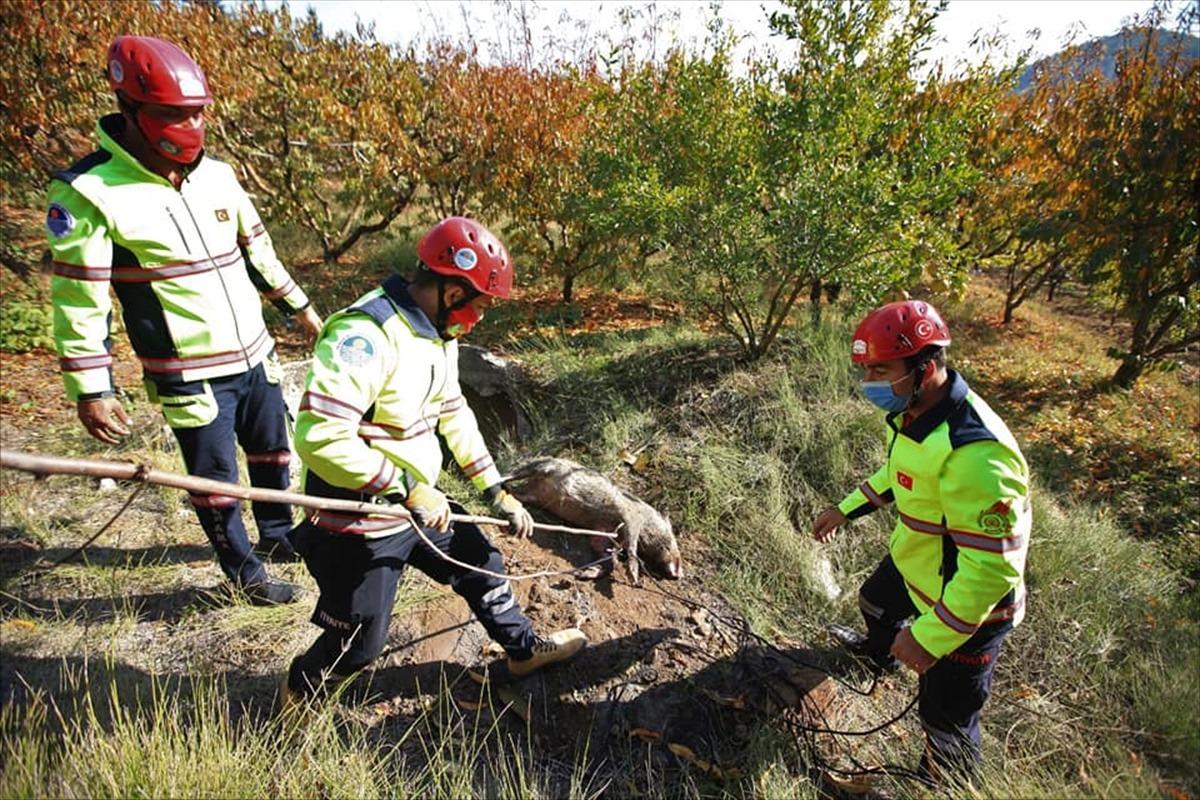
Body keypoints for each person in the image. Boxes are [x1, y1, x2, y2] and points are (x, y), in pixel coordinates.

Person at [48, 36, 322, 605]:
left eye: (198, 112)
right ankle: (246, 577)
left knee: (274, 453)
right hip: (190, 373)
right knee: (214, 480)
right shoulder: (88, 193)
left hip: (255, 353)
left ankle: (277, 536)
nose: (191, 125)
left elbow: (258, 250)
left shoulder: (218, 175)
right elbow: (81, 301)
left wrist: (301, 310)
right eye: (174, 114)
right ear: (130, 109)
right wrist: (91, 388)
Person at [281, 216, 586, 706]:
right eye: (480, 306)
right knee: (359, 642)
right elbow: (320, 437)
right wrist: (406, 487)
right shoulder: (365, 334)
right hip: (358, 518)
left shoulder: (440, 335)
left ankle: (522, 650)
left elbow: (453, 412)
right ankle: (300, 693)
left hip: (417, 501)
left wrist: (495, 491)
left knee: (482, 562)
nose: (481, 317)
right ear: (451, 290)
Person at [811, 299, 1030, 783]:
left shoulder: (977, 453)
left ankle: (942, 787)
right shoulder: (918, 414)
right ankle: (880, 655)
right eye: (867, 371)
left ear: (925, 367)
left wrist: (930, 636)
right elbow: (901, 475)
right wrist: (843, 511)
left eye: (881, 370)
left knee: (944, 719)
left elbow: (992, 570)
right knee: (874, 604)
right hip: (918, 567)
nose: (871, 383)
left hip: (971, 611)